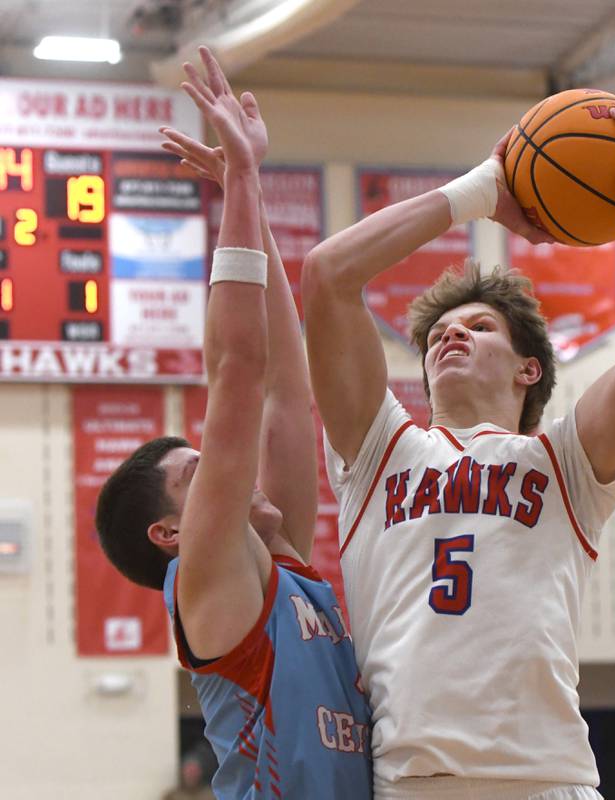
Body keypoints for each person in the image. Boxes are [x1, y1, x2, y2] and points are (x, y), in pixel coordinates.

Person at [301, 99, 615, 800]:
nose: (452, 335)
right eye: (439, 333)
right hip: (412, 783)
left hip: (547, 780)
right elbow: (327, 275)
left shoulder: (565, 464)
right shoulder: (381, 451)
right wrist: (481, 190)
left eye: (478, 327)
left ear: (527, 368)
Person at [95, 47, 371, 799]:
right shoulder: (207, 575)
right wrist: (245, 181)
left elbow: (287, 387)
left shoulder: (279, 570)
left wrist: (242, 192)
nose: (228, 467)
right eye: (197, 473)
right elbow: (240, 371)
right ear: (171, 533)